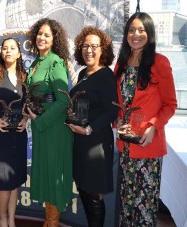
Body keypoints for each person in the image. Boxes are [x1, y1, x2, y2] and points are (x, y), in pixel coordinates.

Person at [114, 12, 177, 226]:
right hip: (126, 146)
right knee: (126, 202)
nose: (136, 34)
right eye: (131, 30)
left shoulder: (160, 62)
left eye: (141, 30)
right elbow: (118, 101)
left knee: (144, 205)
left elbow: (170, 104)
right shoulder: (121, 63)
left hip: (147, 146)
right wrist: (117, 121)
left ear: (149, 34)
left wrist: (153, 128)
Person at [65, 27, 118, 226]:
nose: (89, 50)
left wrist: (89, 129)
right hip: (80, 141)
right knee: (84, 190)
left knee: (94, 194)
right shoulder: (82, 75)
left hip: (96, 143)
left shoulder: (106, 76)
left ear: (102, 50)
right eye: (85, 46)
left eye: (94, 46)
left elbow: (112, 112)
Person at [24, 18, 73, 226]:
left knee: (54, 176)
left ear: (54, 40)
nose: (41, 38)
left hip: (53, 130)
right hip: (40, 128)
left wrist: (41, 120)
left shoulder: (56, 62)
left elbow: (63, 101)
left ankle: (52, 224)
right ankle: (48, 222)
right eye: (39, 33)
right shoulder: (36, 62)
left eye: (47, 35)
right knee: (45, 175)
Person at [0, 38, 28, 227]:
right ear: (1, 53)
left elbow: (27, 107)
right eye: (4, 48)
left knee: (15, 181)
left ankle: (11, 219)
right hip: (0, 136)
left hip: (18, 136)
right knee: (4, 184)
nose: (7, 51)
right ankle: (2, 220)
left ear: (19, 53)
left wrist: (26, 120)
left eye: (12, 48)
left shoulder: (25, 77)